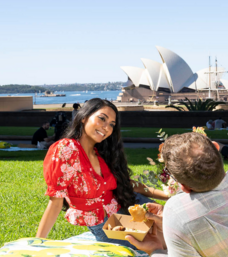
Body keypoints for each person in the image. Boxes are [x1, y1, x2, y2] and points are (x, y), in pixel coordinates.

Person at [36, 98, 169, 248]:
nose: (106, 127)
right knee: (162, 243)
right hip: (106, 224)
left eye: (111, 124)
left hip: (130, 205)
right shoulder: (66, 149)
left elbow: (127, 185)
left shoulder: (102, 152)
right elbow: (55, 201)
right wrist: (38, 244)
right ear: (84, 117)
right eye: (102, 119)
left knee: (176, 232)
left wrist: (169, 196)